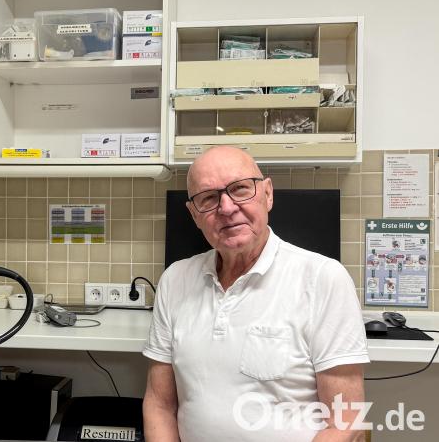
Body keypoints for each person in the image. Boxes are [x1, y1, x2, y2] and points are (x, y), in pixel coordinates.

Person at [143, 146, 369, 441]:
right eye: (208, 198)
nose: (226, 208)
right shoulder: (175, 280)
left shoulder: (323, 279)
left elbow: (345, 420)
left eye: (240, 189)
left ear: (268, 194)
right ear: (194, 215)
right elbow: (159, 404)